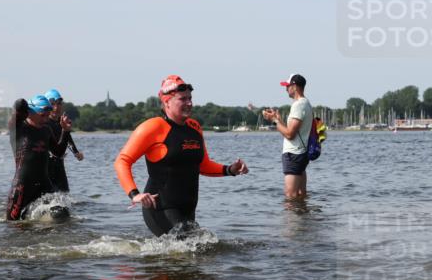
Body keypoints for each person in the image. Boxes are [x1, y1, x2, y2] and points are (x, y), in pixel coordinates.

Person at [115, 75, 248, 236]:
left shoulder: (194, 127)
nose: (189, 103)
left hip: (188, 208)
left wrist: (230, 170)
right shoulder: (152, 127)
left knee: (196, 253)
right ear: (166, 102)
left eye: (190, 98)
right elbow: (122, 161)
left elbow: (203, 165)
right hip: (161, 207)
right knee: (190, 252)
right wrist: (135, 195)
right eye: (183, 99)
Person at [7, 95, 71, 220]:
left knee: (62, 214)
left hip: (44, 183)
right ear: (30, 113)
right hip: (22, 186)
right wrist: (26, 105)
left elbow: (58, 152)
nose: (46, 119)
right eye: (43, 115)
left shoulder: (46, 130)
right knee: (13, 225)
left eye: (48, 115)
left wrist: (65, 131)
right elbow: (19, 105)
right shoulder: (18, 128)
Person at [262, 73, 313, 199]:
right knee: (300, 195)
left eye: (288, 86)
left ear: (295, 87)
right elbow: (292, 131)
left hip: (294, 155)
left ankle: (292, 219)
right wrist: (279, 120)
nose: (286, 89)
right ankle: (303, 218)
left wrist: (274, 121)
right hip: (300, 153)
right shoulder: (304, 103)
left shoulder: (299, 105)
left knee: (290, 196)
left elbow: (290, 134)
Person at [43, 89, 84, 192]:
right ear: (47, 106)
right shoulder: (43, 122)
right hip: (45, 166)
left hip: (59, 163)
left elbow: (67, 138)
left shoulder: (62, 121)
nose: (56, 108)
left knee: (65, 193)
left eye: (59, 104)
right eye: (53, 104)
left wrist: (76, 152)